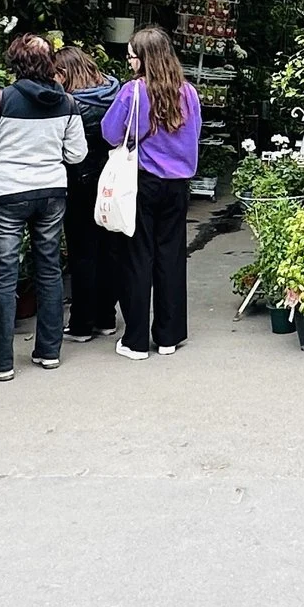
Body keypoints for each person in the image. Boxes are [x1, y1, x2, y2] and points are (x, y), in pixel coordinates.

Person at [0, 34, 84, 378]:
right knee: (49, 269)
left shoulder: (0, 100)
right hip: (51, 194)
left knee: (4, 275)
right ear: (49, 64)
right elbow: (77, 155)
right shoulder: (67, 103)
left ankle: (0, 362)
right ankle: (48, 352)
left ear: (14, 62)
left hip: (8, 195)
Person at [100, 25, 201, 359]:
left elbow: (111, 132)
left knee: (138, 258)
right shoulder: (188, 92)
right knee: (171, 256)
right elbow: (194, 134)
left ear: (143, 59)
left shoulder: (135, 92)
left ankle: (137, 340)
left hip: (142, 182)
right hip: (178, 184)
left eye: (131, 56)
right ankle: (169, 336)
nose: (129, 63)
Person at [53, 44, 125, 341]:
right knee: (110, 249)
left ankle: (82, 323)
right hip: (111, 180)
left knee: (83, 253)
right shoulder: (114, 90)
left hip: (80, 184)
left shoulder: (71, 104)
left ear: (66, 73)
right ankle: (107, 316)